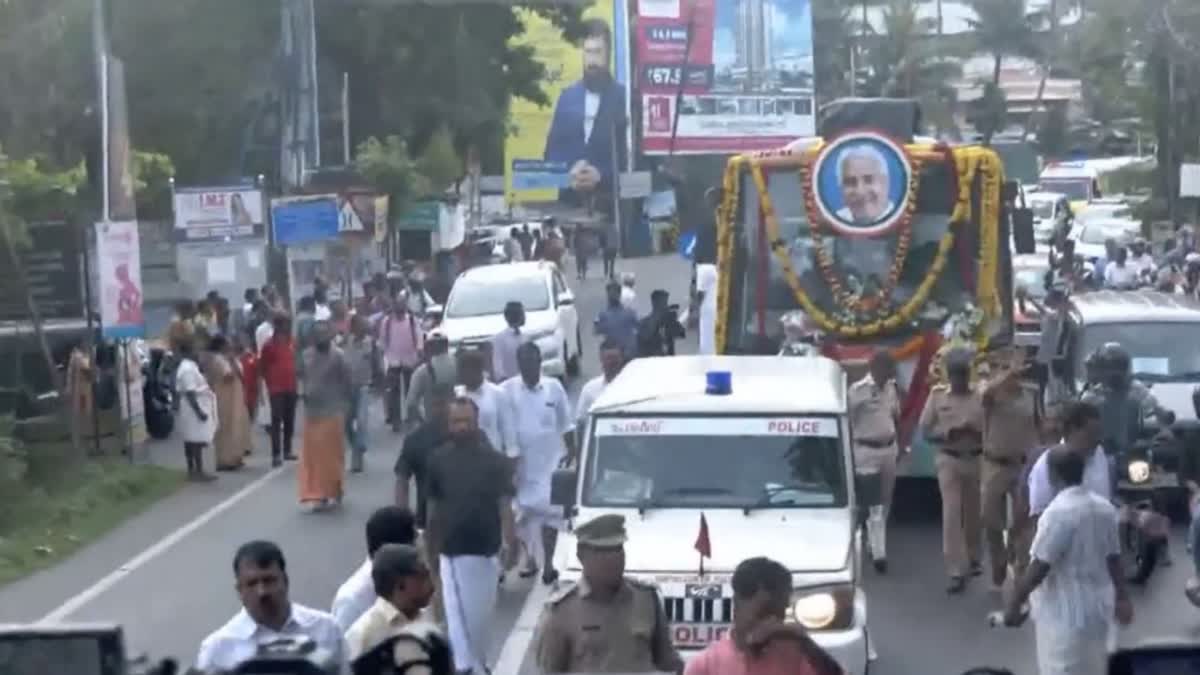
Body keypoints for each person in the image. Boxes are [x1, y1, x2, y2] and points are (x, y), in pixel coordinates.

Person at [1002, 446, 1133, 675]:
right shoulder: (1104, 508)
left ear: (1052, 475)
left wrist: (1014, 604)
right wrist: (1122, 597)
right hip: (1099, 611)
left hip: (1064, 618)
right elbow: (1114, 557)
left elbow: (1039, 567)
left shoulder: (1057, 514)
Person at [425, 397, 519, 675]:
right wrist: (431, 553)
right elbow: (433, 509)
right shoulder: (437, 460)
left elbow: (505, 504)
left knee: (479, 623)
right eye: (456, 422)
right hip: (453, 554)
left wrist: (510, 541)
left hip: (488, 553)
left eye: (467, 421)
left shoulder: (496, 462)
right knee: (459, 625)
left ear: (477, 423)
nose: (462, 427)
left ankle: (479, 666)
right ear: (448, 425)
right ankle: (469, 668)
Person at [535, 514, 683, 674]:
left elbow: (668, 661)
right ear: (581, 555)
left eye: (618, 549)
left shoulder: (646, 599)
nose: (613, 558)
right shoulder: (561, 612)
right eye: (602, 551)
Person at [196, 540, 347, 672]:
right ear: (239, 590)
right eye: (252, 584)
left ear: (285, 581)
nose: (262, 592)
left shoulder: (326, 628)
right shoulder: (217, 649)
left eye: (269, 580)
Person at [684, 557, 843, 675]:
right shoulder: (705, 666)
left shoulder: (795, 656)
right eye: (766, 611)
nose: (773, 622)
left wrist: (803, 640)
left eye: (779, 614)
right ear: (737, 605)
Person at [501, 342, 574, 584]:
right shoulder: (507, 391)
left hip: (552, 462)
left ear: (539, 363)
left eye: (533, 363)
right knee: (523, 516)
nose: (529, 368)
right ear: (519, 365)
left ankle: (550, 563)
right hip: (521, 466)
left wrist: (574, 452)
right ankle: (531, 558)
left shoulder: (553, 388)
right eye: (524, 364)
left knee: (552, 515)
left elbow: (566, 424)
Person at [919, 347, 985, 593]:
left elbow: (991, 427)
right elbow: (925, 431)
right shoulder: (937, 397)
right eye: (955, 374)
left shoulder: (980, 396)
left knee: (973, 512)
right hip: (949, 458)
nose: (959, 379)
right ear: (949, 375)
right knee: (951, 513)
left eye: (963, 374)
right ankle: (956, 570)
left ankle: (974, 556)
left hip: (976, 457)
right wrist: (948, 432)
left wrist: (975, 430)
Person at [542, 18, 627, 207]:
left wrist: (601, 175)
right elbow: (550, 155)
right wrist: (568, 173)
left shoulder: (623, 98)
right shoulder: (567, 98)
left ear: (609, 54)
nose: (592, 61)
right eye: (588, 52)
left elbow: (630, 159)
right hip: (568, 209)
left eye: (598, 52)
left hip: (610, 211)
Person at [980, 351, 1040, 591]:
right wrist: (1008, 373)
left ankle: (1022, 567)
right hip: (995, 463)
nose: (1013, 373)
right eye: (1003, 367)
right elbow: (986, 393)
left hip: (1023, 465)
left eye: (1016, 368)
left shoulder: (1031, 394)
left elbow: (1040, 424)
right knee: (990, 518)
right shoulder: (990, 393)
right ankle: (999, 558)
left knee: (1023, 519)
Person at [847, 350, 902, 573]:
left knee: (885, 500)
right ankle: (879, 554)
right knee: (871, 503)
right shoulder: (858, 391)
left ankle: (875, 542)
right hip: (866, 450)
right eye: (887, 368)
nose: (890, 373)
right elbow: (848, 418)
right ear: (876, 368)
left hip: (888, 448)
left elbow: (895, 415)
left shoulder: (891, 388)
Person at [332, 506, 419, 632]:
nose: (420, 548)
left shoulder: (413, 582)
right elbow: (344, 649)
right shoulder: (352, 602)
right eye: (415, 541)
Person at [298, 321, 355, 512]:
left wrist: (347, 408)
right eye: (317, 335)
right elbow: (301, 378)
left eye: (324, 334)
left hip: (332, 413)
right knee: (314, 457)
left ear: (330, 336)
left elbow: (348, 383)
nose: (321, 338)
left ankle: (334, 489)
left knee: (332, 457)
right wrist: (303, 393)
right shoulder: (306, 355)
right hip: (312, 413)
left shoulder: (338, 356)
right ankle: (318, 494)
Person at [345, 543, 435, 661]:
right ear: (400, 585)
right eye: (423, 577)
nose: (431, 585)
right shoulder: (363, 636)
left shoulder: (427, 618)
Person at [1027, 401, 1111, 519]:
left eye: (1098, 433)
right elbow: (1039, 516)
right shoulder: (1048, 462)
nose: (1097, 440)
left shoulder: (1099, 455)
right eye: (1091, 434)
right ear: (1072, 431)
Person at [396, 384, 456, 532]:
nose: (439, 410)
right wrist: (402, 519)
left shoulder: (468, 435)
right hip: (426, 523)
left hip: (465, 521)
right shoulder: (416, 439)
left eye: (443, 404)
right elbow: (402, 479)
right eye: (434, 405)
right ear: (426, 407)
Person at [260, 313, 299, 467]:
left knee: (290, 419)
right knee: (276, 420)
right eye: (283, 325)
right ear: (277, 326)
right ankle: (276, 454)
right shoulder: (269, 346)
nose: (286, 328)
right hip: (276, 388)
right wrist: (268, 384)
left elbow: (296, 362)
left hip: (291, 385)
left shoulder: (292, 343)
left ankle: (287, 450)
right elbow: (263, 367)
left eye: (287, 325)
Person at [175, 338, 217, 481]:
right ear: (189, 351)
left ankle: (194, 471)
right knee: (195, 440)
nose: (198, 353)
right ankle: (196, 471)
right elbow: (190, 392)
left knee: (192, 439)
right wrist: (199, 411)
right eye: (196, 349)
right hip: (191, 407)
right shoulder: (187, 369)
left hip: (192, 405)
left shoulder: (191, 366)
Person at [205, 335, 249, 471]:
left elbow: (241, 375)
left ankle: (236, 456)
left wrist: (233, 361)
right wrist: (231, 362)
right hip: (223, 396)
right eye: (227, 344)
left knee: (237, 424)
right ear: (221, 346)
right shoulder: (217, 360)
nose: (230, 346)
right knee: (225, 426)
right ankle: (224, 460)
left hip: (235, 396)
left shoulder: (231, 359)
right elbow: (227, 376)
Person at [379, 297, 424, 428]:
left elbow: (419, 336)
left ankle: (411, 417)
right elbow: (383, 340)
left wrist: (419, 350)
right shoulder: (387, 322)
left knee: (410, 390)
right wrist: (383, 357)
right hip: (393, 360)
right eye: (397, 310)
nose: (399, 313)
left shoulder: (412, 321)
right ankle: (395, 420)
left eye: (401, 310)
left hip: (410, 359)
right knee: (393, 391)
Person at [457, 349, 511, 453]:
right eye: (461, 371)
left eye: (465, 370)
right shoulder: (458, 394)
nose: (462, 375)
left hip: (493, 456)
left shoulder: (498, 393)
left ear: (478, 370)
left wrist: (511, 453)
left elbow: (507, 427)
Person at [342, 314, 375, 473]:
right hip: (347, 387)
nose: (362, 328)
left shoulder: (369, 343)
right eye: (359, 325)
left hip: (363, 385)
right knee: (346, 422)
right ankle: (357, 444)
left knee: (361, 420)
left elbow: (375, 361)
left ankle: (357, 456)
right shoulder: (346, 342)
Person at [405, 333, 458, 424]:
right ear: (446, 347)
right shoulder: (460, 365)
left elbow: (411, 403)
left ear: (429, 349)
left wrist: (422, 422)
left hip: (433, 423)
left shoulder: (421, 372)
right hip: (458, 422)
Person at [835, 144, 894, 224]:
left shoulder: (905, 219)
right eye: (851, 182)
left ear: (885, 183)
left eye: (868, 180)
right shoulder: (833, 221)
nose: (860, 191)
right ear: (841, 188)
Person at [575, 339, 625, 432]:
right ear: (601, 359)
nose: (612, 363)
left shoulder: (633, 388)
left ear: (622, 359)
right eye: (609, 358)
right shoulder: (589, 390)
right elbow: (581, 422)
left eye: (615, 358)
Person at [594, 279, 639, 358]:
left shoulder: (603, 315)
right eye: (611, 293)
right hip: (619, 354)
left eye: (613, 293)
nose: (612, 295)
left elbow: (596, 331)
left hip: (619, 355)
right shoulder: (629, 312)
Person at [637, 290, 686, 357]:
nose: (666, 305)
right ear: (655, 303)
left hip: (666, 362)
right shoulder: (644, 323)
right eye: (664, 302)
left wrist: (673, 320)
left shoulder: (668, 321)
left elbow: (681, 333)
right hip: (651, 362)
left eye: (666, 302)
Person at [490, 301, 526, 383]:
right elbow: (497, 365)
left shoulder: (525, 338)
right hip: (508, 383)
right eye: (523, 314)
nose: (525, 317)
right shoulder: (499, 339)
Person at [695, 262, 719, 355]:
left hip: (709, 310)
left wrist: (696, 310)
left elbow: (700, 293)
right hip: (720, 305)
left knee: (707, 341)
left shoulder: (703, 269)